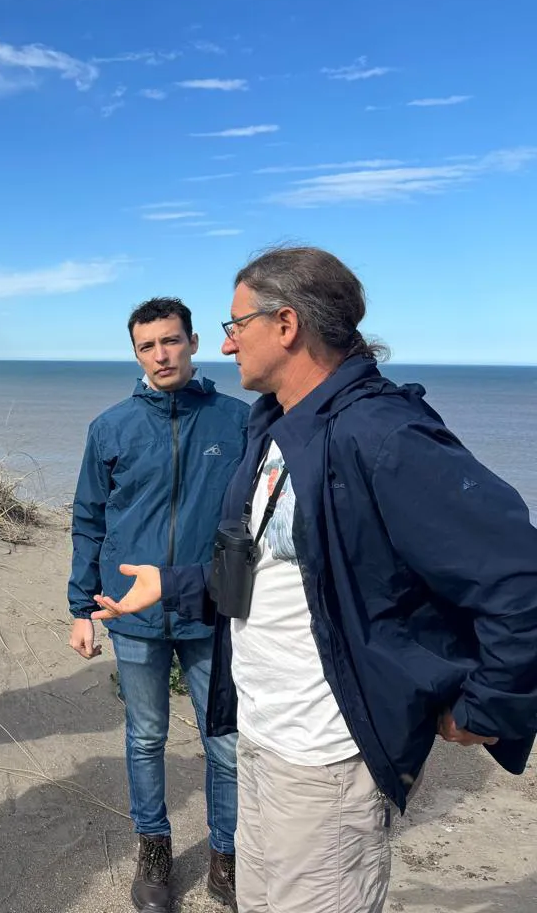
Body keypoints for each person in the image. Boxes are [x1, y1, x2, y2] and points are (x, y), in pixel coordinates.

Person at [95, 247, 537, 913]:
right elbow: (270, 569)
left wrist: (488, 707)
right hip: (262, 738)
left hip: (329, 764)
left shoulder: (383, 433)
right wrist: (177, 584)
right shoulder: (274, 424)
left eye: (236, 323)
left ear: (286, 325)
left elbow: (517, 574)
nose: (224, 341)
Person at [67, 297, 248, 912]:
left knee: (222, 739)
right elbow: (88, 521)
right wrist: (82, 608)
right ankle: (154, 848)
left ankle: (226, 853)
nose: (161, 355)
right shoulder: (111, 428)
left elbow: (256, 518)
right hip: (132, 614)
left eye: (171, 341)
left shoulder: (237, 420)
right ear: (136, 353)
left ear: (193, 342)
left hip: (209, 606)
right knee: (146, 737)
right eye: (148, 346)